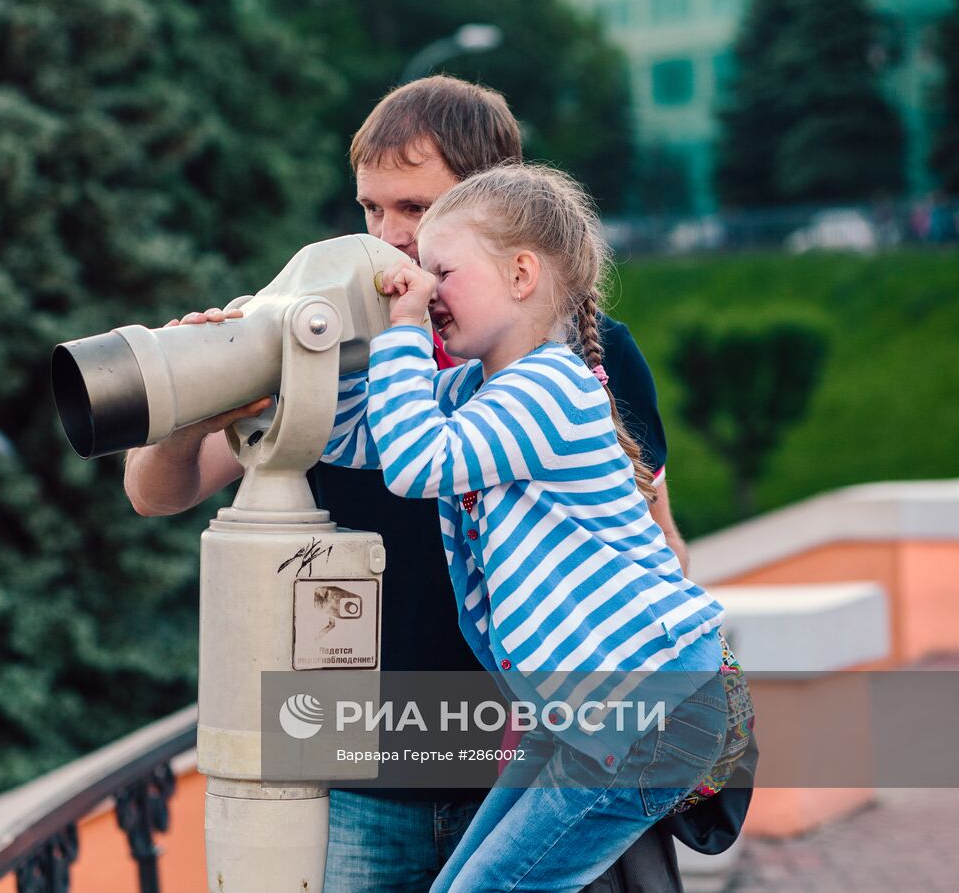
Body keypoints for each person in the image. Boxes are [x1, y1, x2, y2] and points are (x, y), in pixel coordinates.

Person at [124, 77, 712, 892]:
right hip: (368, 765)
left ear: (491, 209)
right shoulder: (330, 337)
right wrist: (210, 385)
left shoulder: (585, 360)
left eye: (415, 210)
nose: (390, 237)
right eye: (371, 209)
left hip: (531, 740)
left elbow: (659, 543)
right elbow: (157, 491)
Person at [324, 161, 753, 892]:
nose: (422, 290)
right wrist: (280, 358)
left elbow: (417, 462)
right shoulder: (473, 389)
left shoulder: (550, 386)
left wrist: (398, 331)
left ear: (522, 273)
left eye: (440, 271)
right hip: (584, 715)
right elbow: (356, 439)